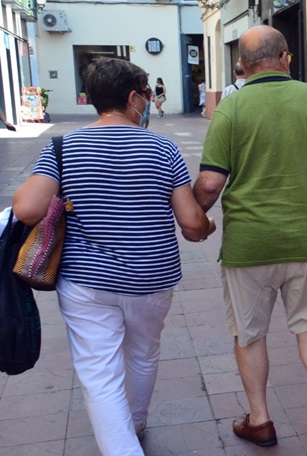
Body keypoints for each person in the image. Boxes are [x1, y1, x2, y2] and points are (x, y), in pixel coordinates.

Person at [12, 58, 215, 455]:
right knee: (142, 354)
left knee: (99, 373)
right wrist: (207, 227)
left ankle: (122, 441)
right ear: (132, 97)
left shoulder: (63, 146)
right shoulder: (162, 147)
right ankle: (134, 425)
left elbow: (27, 209)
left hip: (86, 283)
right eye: (144, 96)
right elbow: (192, 224)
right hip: (151, 280)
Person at [193, 25, 307, 448]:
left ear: (241, 66)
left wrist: (194, 218)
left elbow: (211, 184)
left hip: (249, 245)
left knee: (249, 332)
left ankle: (260, 420)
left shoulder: (231, 110)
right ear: (286, 58)